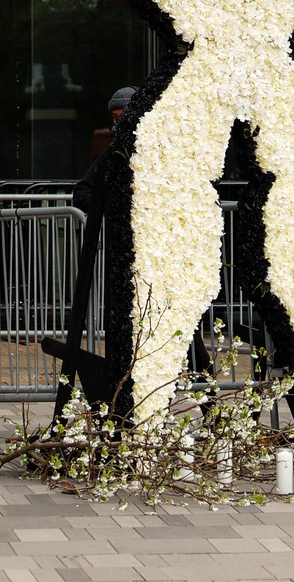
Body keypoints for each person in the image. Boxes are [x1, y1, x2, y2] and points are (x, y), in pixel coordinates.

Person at [72, 85, 215, 394]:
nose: (119, 123)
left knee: (186, 335)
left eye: (125, 116)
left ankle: (210, 405)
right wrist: (118, 209)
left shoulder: (168, 149)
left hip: (168, 260)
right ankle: (131, 402)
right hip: (131, 264)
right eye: (115, 117)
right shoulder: (114, 153)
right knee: (130, 336)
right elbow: (84, 191)